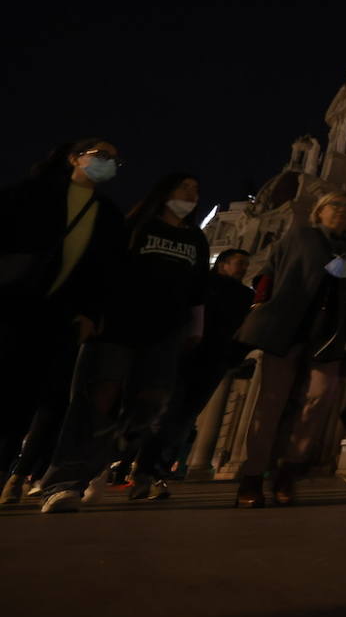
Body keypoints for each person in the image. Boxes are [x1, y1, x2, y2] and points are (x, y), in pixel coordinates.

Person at [38, 173, 210, 514]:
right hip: (118, 323)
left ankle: (104, 454)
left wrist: (197, 326)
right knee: (95, 400)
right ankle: (63, 483)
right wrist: (89, 311)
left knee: (152, 402)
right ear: (163, 192)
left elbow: (199, 286)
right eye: (184, 186)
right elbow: (103, 269)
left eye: (196, 189)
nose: (191, 193)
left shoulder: (196, 239)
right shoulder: (134, 226)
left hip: (167, 329)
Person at [0, 139, 125, 504]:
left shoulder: (108, 215)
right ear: (74, 158)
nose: (108, 163)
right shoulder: (32, 194)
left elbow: (107, 272)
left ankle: (13, 471)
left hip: (61, 317)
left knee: (37, 397)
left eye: (115, 161)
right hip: (12, 304)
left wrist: (91, 313)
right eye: (101, 155)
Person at [233, 192, 346, 508]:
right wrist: (261, 306)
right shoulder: (300, 237)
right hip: (287, 328)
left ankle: (288, 470)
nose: (341, 212)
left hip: (329, 335)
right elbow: (268, 271)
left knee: (320, 399)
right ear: (320, 211)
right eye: (335, 206)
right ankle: (252, 477)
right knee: (271, 403)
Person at [131, 248, 254, 498]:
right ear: (222, 264)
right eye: (239, 263)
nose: (243, 268)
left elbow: (242, 329)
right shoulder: (202, 284)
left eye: (245, 264)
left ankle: (158, 472)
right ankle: (144, 470)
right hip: (185, 355)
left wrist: (233, 357)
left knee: (185, 419)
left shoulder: (244, 295)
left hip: (215, 361)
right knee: (168, 412)